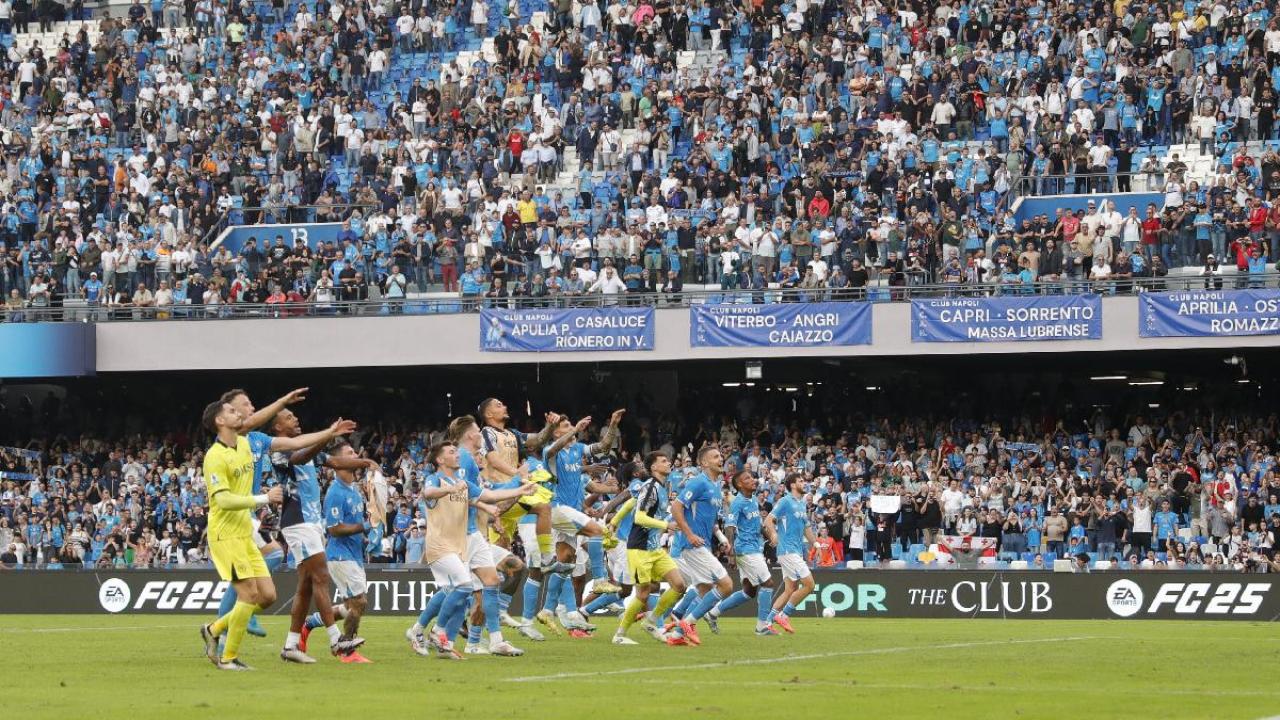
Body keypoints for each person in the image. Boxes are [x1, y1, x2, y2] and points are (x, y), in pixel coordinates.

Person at [269, 409, 367, 663]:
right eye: (290, 418)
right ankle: (336, 640)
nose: (296, 419)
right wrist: (328, 435)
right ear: (278, 427)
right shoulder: (280, 451)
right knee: (321, 577)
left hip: (310, 522)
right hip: (297, 520)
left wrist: (365, 463)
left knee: (305, 587)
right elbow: (302, 457)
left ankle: (291, 646)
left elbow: (335, 462)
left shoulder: (309, 451)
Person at [198, 399, 284, 671]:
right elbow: (221, 500)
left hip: (244, 533)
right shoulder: (214, 456)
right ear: (220, 422)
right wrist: (264, 498)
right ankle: (228, 657)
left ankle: (214, 628)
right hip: (225, 535)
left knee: (267, 596)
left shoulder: (245, 444)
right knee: (248, 594)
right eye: (233, 411)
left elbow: (252, 425)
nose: (242, 413)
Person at [538, 409, 626, 631]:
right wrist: (575, 428)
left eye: (571, 427)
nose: (572, 431)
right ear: (556, 432)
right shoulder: (551, 451)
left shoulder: (577, 450)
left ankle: (548, 610)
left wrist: (613, 424)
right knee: (597, 531)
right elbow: (554, 447)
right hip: (557, 508)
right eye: (565, 427)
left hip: (568, 512)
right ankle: (599, 579)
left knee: (566, 562)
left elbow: (603, 447)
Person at [300, 439, 378, 663]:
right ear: (339, 463)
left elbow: (355, 524)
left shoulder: (353, 490)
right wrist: (365, 525)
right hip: (339, 555)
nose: (355, 454)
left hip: (354, 554)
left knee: (350, 606)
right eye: (349, 452)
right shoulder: (336, 492)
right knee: (359, 603)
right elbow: (334, 529)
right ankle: (346, 649)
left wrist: (368, 537)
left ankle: (310, 623)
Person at [610, 451, 690, 646]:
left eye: (668, 460)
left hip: (654, 548)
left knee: (679, 585)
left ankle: (651, 621)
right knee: (643, 593)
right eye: (663, 461)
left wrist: (613, 521)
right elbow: (639, 517)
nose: (668, 463)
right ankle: (619, 635)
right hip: (639, 549)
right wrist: (666, 526)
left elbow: (631, 501)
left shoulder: (663, 487)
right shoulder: (651, 486)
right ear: (653, 467)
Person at [666, 445, 735, 645]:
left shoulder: (715, 487)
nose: (720, 459)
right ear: (704, 462)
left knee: (706, 591)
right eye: (715, 457)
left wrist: (722, 540)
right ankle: (685, 622)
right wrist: (689, 534)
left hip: (702, 544)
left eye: (720, 456)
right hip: (692, 545)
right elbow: (676, 507)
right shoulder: (698, 482)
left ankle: (677, 635)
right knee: (726, 585)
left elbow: (711, 522)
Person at [706, 469, 778, 635]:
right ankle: (762, 627)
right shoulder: (737, 503)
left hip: (753, 549)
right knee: (768, 584)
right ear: (739, 484)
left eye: (752, 477)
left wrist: (769, 535)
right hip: (746, 550)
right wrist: (730, 554)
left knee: (749, 591)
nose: (753, 480)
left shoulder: (752, 499)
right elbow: (730, 528)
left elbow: (757, 524)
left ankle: (712, 613)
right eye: (748, 478)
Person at [764, 473, 817, 634]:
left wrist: (815, 544)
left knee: (790, 589)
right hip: (787, 550)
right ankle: (784, 615)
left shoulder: (801, 504)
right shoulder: (785, 501)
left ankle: (767, 623)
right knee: (809, 585)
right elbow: (768, 520)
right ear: (793, 485)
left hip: (795, 551)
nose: (804, 483)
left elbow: (807, 527)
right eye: (801, 481)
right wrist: (773, 534)